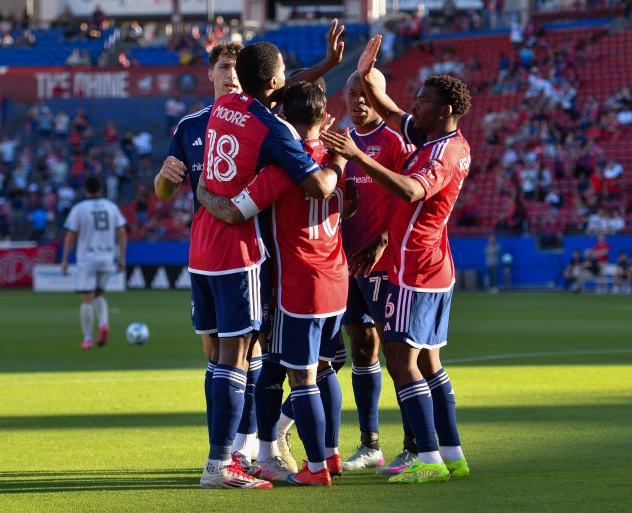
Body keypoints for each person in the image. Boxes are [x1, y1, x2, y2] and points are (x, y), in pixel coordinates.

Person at [189, 29, 347, 490]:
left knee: (222, 357)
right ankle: (223, 463)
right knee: (240, 359)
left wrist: (203, 194)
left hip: (202, 247)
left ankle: (235, 456)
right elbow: (318, 185)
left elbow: (282, 85)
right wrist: (339, 161)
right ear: (275, 81)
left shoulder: (223, 106)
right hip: (240, 252)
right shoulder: (275, 131)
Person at [322, 35, 471, 484]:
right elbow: (389, 109)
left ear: (443, 110)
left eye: (423, 102)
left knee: (400, 359)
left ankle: (426, 459)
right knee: (428, 362)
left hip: (415, 266)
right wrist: (366, 73)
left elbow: (409, 190)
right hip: (433, 265)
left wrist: (354, 157)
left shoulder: (442, 153)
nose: (414, 107)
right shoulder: (434, 137)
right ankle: (452, 453)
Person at [154, 41, 263, 472]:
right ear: (210, 74)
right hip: (204, 255)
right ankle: (225, 444)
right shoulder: (190, 128)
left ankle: (249, 443)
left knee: (250, 353)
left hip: (249, 253)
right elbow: (164, 192)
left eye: (237, 67)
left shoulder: (259, 121)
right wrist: (164, 179)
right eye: (223, 66)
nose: (231, 73)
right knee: (216, 355)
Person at [330, 70, 418, 473]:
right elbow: (343, 198)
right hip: (349, 263)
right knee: (361, 349)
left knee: (399, 355)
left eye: (365, 93)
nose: (357, 101)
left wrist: (383, 238)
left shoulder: (395, 140)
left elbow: (411, 194)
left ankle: (416, 445)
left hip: (385, 263)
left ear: (379, 95)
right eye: (351, 94)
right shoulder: (342, 142)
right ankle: (370, 445)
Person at [60, 177, 127, 349]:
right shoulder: (111, 207)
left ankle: (88, 338)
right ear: (101, 189)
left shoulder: (79, 209)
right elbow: (122, 233)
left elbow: (70, 236)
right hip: (107, 257)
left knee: (86, 299)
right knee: (99, 294)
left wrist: (65, 260)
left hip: (87, 258)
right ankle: (103, 323)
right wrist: (121, 258)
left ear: (85, 191)